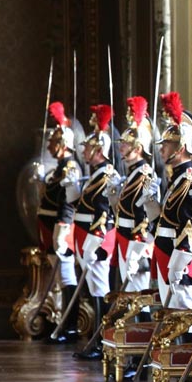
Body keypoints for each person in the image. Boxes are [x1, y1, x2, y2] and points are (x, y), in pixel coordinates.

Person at [142, 91, 192, 314]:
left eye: (166, 145)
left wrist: (179, 263)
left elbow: (189, 227)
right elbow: (165, 221)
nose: (161, 149)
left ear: (180, 148)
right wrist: (151, 204)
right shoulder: (177, 179)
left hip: (179, 258)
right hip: (166, 253)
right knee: (171, 316)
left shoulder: (189, 181)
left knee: (180, 318)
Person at [71, 104, 119, 361]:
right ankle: (97, 340)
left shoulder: (106, 175)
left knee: (100, 289)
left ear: (99, 150)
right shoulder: (94, 174)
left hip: (96, 239)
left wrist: (96, 241)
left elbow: (104, 213)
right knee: (93, 288)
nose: (85, 152)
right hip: (85, 236)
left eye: (89, 148)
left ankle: (102, 342)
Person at [39, 101, 82, 345]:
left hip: (60, 228)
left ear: (63, 144)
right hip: (49, 228)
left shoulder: (71, 167)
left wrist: (63, 228)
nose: (49, 146)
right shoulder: (59, 168)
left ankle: (71, 325)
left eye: (53, 142)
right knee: (59, 278)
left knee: (66, 275)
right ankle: (62, 323)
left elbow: (69, 201)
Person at [114, 95, 158, 299]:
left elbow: (143, 217)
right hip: (124, 237)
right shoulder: (132, 174)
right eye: (121, 142)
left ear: (138, 148)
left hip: (135, 242)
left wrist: (136, 247)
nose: (121, 146)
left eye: (126, 143)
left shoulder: (144, 175)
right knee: (129, 297)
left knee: (139, 300)